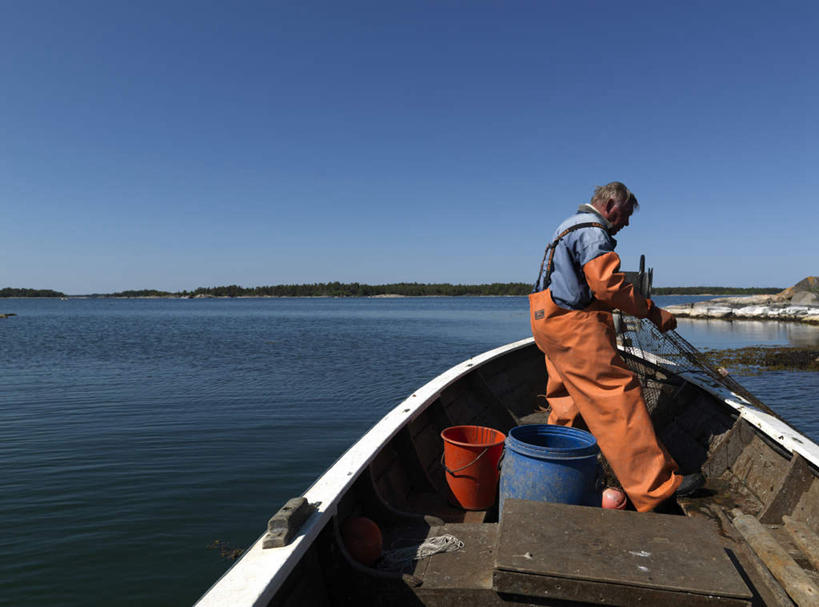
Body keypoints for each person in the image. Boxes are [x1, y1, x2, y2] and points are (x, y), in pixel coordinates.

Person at [529, 182, 703, 512]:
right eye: (624, 216)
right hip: (573, 326)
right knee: (618, 400)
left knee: (567, 400)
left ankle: (562, 471)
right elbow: (607, 285)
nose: (625, 224)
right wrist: (651, 310)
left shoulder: (564, 226)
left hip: (545, 320)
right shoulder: (593, 230)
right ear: (610, 205)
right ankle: (655, 488)